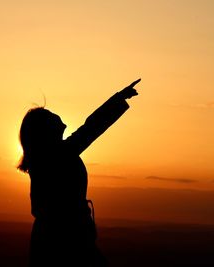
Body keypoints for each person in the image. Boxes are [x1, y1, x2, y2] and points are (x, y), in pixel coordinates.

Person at [18, 79, 141, 266]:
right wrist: (118, 99)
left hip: (59, 238)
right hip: (63, 240)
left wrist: (119, 99)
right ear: (44, 130)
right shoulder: (55, 156)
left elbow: (89, 129)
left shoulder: (53, 155)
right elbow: (91, 129)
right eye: (49, 115)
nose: (55, 115)